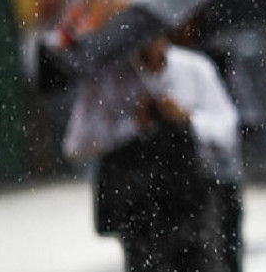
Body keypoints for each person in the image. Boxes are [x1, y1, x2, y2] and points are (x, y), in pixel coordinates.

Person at [63, 34, 242, 272]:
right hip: (138, 203)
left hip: (193, 195)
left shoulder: (194, 68)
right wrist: (133, 124)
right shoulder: (107, 78)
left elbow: (226, 129)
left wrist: (186, 118)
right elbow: (76, 145)